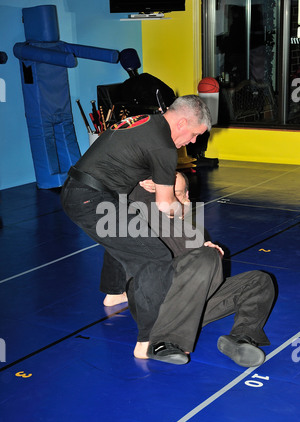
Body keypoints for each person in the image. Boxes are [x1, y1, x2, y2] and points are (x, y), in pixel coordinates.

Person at [61, 95, 211, 363]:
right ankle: (148, 340)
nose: (191, 142)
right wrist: (185, 210)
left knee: (129, 228)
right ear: (183, 122)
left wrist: (147, 179)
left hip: (82, 189)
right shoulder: (164, 146)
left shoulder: (147, 122)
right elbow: (166, 206)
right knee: (155, 257)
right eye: (193, 135)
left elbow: (126, 155)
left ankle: (114, 292)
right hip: (92, 199)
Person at [100, 173, 276, 367]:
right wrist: (141, 178)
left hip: (191, 308)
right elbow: (116, 184)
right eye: (169, 194)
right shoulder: (142, 219)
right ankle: (163, 342)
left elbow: (208, 286)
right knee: (205, 257)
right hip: (156, 306)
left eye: (180, 194)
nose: (176, 200)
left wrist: (213, 260)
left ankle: (242, 339)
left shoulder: (195, 235)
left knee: (260, 280)